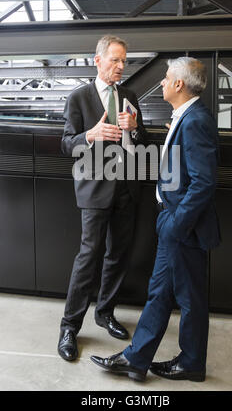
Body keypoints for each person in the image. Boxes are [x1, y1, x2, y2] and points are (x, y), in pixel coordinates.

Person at [90, 56, 221, 382]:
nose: (161, 82)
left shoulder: (195, 121)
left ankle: (191, 363)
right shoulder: (184, 117)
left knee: (190, 299)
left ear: (179, 84)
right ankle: (137, 359)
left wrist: (177, 224)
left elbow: (204, 183)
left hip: (183, 227)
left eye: (165, 78)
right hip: (173, 223)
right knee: (159, 293)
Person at [57, 35, 148, 361]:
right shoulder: (79, 97)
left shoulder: (129, 95)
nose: (121, 66)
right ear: (98, 60)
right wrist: (90, 136)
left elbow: (142, 141)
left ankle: (105, 312)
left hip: (126, 189)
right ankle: (69, 326)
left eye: (124, 60)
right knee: (89, 257)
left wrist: (135, 127)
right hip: (95, 190)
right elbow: (67, 144)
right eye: (115, 60)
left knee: (118, 255)